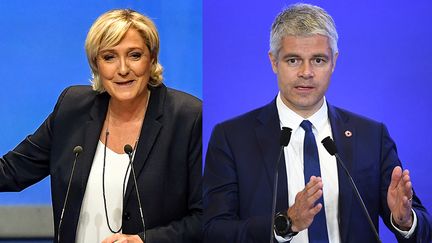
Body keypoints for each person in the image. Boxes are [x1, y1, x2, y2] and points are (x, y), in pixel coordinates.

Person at [203, 3, 431, 243]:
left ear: (334, 61)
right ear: (273, 61)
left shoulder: (371, 136)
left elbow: (422, 227)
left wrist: (405, 221)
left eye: (318, 60)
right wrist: (285, 223)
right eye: (293, 60)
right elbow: (213, 231)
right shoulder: (232, 138)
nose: (306, 72)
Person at [0, 9, 202, 243]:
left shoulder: (189, 118)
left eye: (135, 55)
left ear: (152, 58)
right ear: (96, 64)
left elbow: (207, 217)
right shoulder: (72, 108)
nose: (123, 69)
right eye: (109, 57)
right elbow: (11, 171)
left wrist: (145, 240)